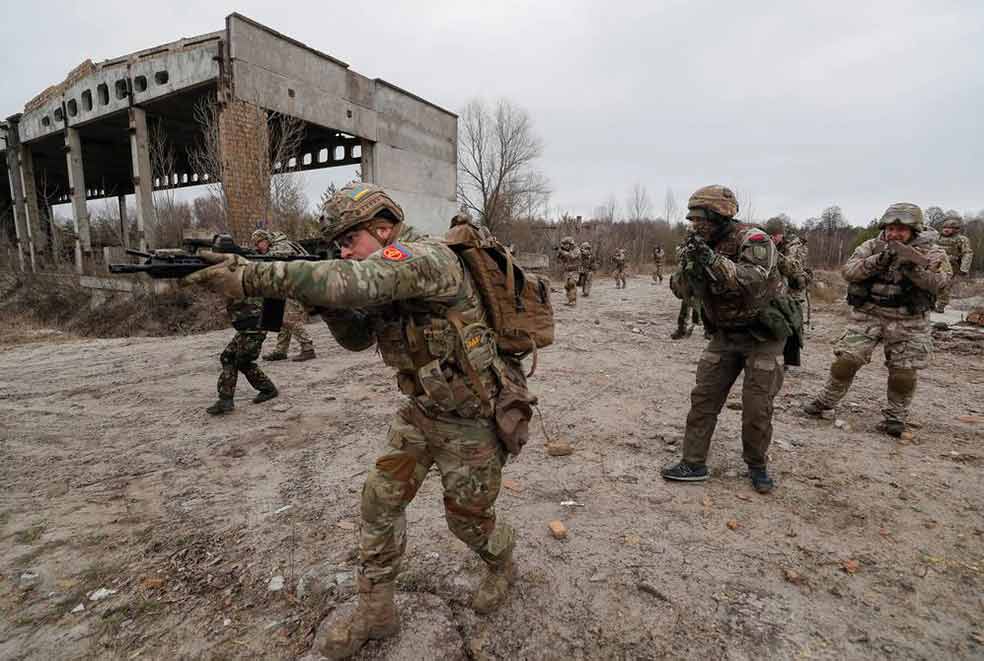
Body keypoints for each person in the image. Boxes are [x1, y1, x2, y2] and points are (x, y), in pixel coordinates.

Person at [182, 182, 523, 659]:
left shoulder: (427, 258)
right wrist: (326, 305)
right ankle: (376, 613)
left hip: (470, 420)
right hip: (420, 414)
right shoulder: (381, 270)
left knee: (467, 522)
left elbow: (356, 282)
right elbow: (359, 338)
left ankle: (501, 563)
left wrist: (254, 277)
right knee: (378, 505)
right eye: (338, 245)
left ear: (383, 229)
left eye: (348, 242)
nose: (343, 253)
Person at [661, 185, 788, 494]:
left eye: (700, 217)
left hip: (762, 334)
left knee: (757, 406)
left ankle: (757, 465)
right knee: (704, 397)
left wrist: (711, 261)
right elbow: (680, 290)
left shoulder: (754, 240)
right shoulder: (698, 244)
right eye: (691, 219)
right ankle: (693, 462)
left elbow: (751, 280)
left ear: (719, 215)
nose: (695, 224)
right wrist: (691, 268)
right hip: (725, 334)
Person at [803, 203, 951, 437]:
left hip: (909, 320)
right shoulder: (871, 246)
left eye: (901, 229)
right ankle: (825, 401)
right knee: (846, 362)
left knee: (903, 373)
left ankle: (895, 417)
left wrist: (913, 268)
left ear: (914, 230)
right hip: (869, 314)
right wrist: (879, 260)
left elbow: (940, 283)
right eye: (891, 228)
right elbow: (849, 272)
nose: (894, 233)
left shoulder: (933, 252)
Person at [206, 293, 279, 415]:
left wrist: (270, 322)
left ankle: (226, 399)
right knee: (229, 357)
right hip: (247, 327)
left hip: (254, 326)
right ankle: (266, 389)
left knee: (239, 360)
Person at [251, 229, 317, 362]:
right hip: (285, 285)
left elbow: (279, 257)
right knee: (282, 318)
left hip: (293, 284)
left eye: (259, 243)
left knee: (289, 317)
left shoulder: (282, 246)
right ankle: (281, 350)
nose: (258, 246)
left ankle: (307, 347)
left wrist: (261, 257)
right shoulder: (272, 247)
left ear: (267, 240)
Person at [765, 217, 810, 308]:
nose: (772, 239)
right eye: (769, 236)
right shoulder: (768, 243)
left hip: (792, 291)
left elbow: (791, 268)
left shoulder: (794, 247)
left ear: (781, 234)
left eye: (774, 236)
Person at [935, 211, 974, 312]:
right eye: (945, 228)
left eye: (949, 228)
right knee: (931, 284)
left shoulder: (961, 239)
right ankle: (930, 303)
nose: (946, 230)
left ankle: (941, 305)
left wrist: (964, 268)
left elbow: (967, 253)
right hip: (935, 263)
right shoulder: (937, 237)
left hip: (951, 266)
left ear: (956, 230)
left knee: (945, 286)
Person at [670, 237, 701, 339]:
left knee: (699, 303)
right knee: (686, 302)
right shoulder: (687, 245)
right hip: (687, 277)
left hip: (699, 277)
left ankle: (698, 327)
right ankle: (682, 329)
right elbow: (679, 257)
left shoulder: (707, 242)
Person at [556, 237, 581, 306]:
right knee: (566, 286)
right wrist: (559, 253)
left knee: (571, 284)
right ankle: (570, 300)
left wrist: (562, 252)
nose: (564, 245)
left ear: (570, 244)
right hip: (567, 271)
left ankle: (573, 301)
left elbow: (572, 256)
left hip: (574, 270)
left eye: (565, 244)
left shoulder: (577, 250)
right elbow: (559, 259)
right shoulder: (566, 250)